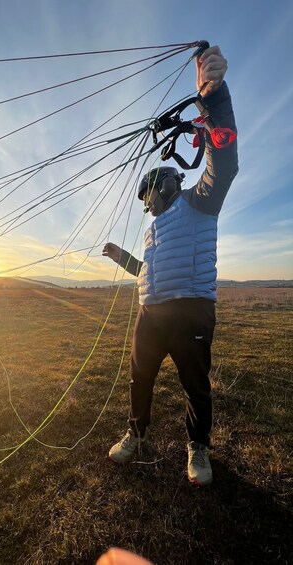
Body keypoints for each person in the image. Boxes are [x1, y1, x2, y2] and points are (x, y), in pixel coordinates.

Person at [102, 45, 238, 485]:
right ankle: (136, 433)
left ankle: (197, 448)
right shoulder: (155, 227)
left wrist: (213, 99)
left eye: (149, 195)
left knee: (195, 386)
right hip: (151, 313)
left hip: (192, 310)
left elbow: (225, 164)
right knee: (139, 375)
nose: (147, 204)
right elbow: (148, 270)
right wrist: (121, 257)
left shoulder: (200, 201)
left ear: (164, 184)